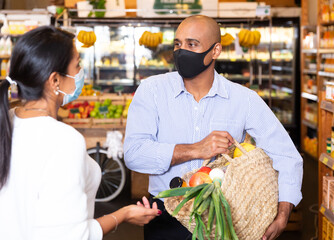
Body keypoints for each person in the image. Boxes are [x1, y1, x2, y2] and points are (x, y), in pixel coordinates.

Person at [124, 15, 303, 240]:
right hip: (166, 214)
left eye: (192, 44)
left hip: (224, 216)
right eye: (177, 44)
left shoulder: (244, 99)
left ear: (215, 51)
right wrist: (195, 149)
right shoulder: (152, 91)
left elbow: (286, 156)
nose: (181, 51)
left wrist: (283, 214)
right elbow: (134, 155)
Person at [0, 26, 160, 240]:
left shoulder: (8, 120)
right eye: (77, 65)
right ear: (55, 80)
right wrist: (123, 214)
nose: (81, 72)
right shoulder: (64, 140)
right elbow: (73, 235)